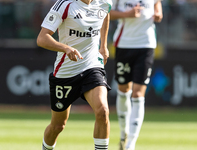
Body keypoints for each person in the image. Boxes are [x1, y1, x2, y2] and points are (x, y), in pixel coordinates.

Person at [37, 0, 112, 149]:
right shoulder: (65, 5)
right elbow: (42, 38)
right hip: (66, 73)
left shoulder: (104, 2)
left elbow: (105, 14)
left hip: (92, 66)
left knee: (103, 111)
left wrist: (103, 46)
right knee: (58, 126)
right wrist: (65, 48)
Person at [110, 1, 163, 150]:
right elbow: (107, 13)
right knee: (123, 89)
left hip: (146, 45)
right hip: (124, 45)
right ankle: (123, 133)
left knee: (138, 93)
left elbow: (157, 5)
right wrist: (126, 14)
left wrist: (158, 14)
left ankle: (130, 144)